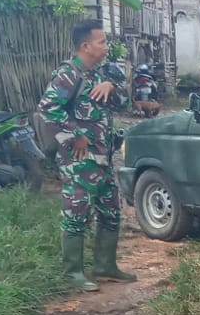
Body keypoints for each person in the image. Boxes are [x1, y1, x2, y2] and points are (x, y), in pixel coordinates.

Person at [38, 20, 133, 292]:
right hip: (79, 159)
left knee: (110, 210)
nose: (106, 46)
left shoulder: (98, 74)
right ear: (85, 45)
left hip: (103, 157)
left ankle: (105, 266)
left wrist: (112, 87)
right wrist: (74, 134)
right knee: (76, 213)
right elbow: (47, 108)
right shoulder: (68, 74)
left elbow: (126, 104)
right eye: (102, 42)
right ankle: (73, 273)